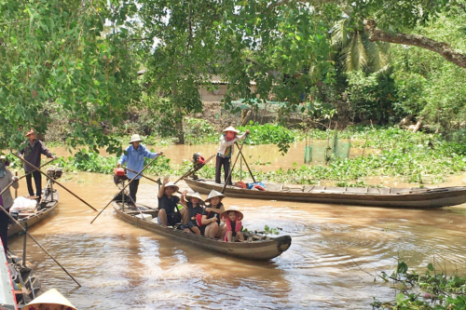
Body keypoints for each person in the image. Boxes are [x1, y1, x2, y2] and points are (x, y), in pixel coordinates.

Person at [117, 134, 163, 207]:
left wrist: (157, 154)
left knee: (135, 189)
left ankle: (130, 201)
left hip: (138, 172)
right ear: (132, 143)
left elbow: (149, 155)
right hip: (131, 172)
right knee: (132, 188)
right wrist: (119, 162)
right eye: (135, 142)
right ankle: (132, 203)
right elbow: (123, 158)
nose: (137, 143)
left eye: (138, 142)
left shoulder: (142, 148)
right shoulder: (128, 149)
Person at [18, 129, 55, 201]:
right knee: (29, 182)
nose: (34, 135)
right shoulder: (24, 144)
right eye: (32, 134)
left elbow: (45, 150)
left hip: (36, 165)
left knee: (38, 181)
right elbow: (19, 151)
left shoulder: (39, 143)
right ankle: (31, 195)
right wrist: (20, 156)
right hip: (27, 165)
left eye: (34, 134)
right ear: (29, 136)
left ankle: (38, 196)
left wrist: (51, 156)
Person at [0, 156, 19, 253]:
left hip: (4, 206)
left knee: (3, 228)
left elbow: (16, 187)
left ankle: (4, 249)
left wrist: (15, 180)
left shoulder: (7, 174)